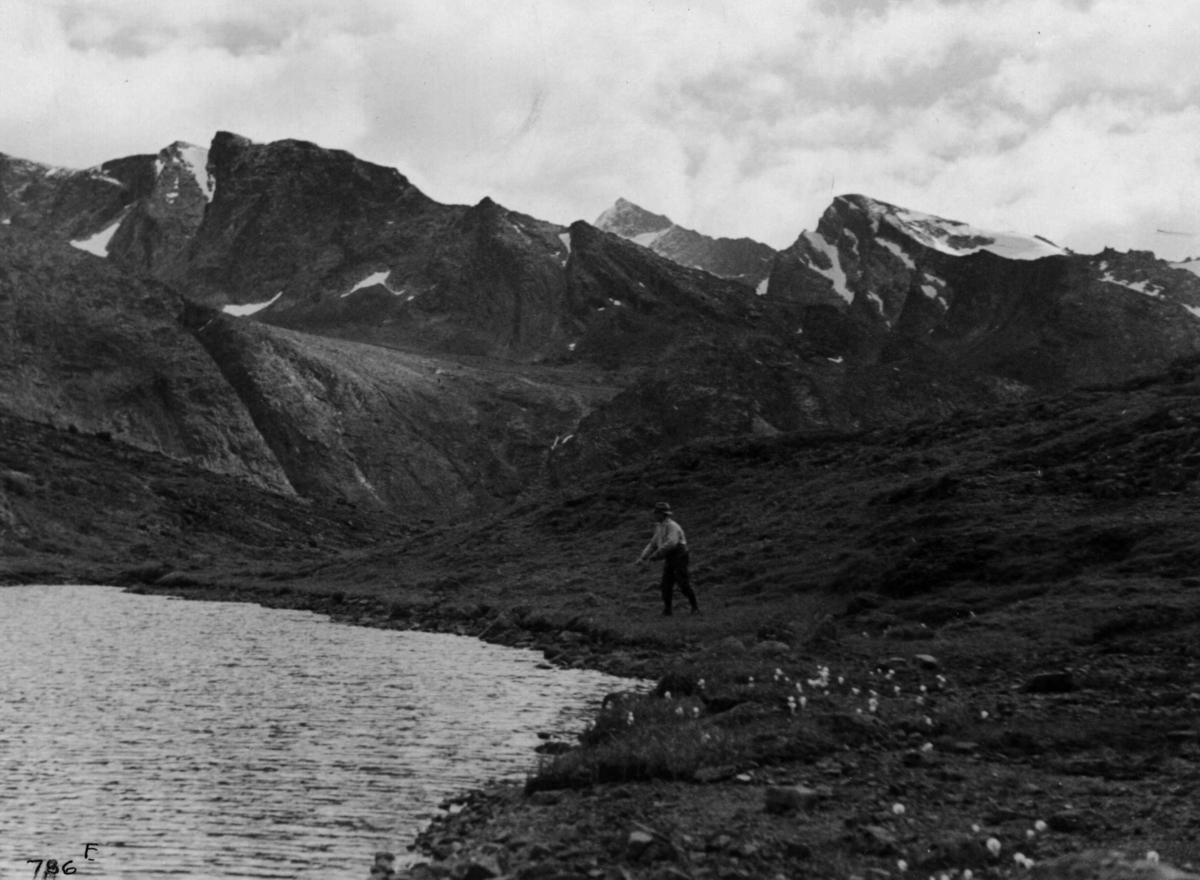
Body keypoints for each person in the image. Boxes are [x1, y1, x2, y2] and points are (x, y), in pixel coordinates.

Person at [636, 501, 700, 616]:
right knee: (666, 584)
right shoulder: (660, 527)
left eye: (656, 513)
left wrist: (657, 555)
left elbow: (671, 543)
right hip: (670, 557)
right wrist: (643, 557)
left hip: (679, 555)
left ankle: (695, 607)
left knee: (683, 583)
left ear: (662, 514)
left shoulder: (672, 526)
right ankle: (667, 610)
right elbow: (653, 544)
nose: (654, 515)